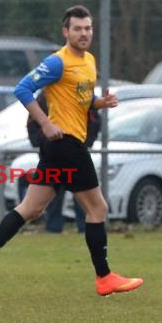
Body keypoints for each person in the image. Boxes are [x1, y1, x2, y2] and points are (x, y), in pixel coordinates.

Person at [0, 5, 144, 298]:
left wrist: (97, 103)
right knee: (98, 208)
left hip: (59, 148)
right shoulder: (56, 63)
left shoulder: (89, 61)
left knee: (31, 208)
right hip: (66, 144)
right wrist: (45, 122)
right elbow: (23, 89)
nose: (84, 33)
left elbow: (78, 97)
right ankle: (104, 277)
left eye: (88, 28)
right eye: (77, 28)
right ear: (66, 32)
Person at [28, 92, 100, 233]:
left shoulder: (81, 94)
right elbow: (32, 124)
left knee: (82, 194)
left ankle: (85, 227)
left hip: (76, 155)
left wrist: (84, 143)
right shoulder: (44, 98)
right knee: (51, 194)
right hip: (52, 156)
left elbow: (94, 120)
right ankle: (53, 228)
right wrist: (45, 141)